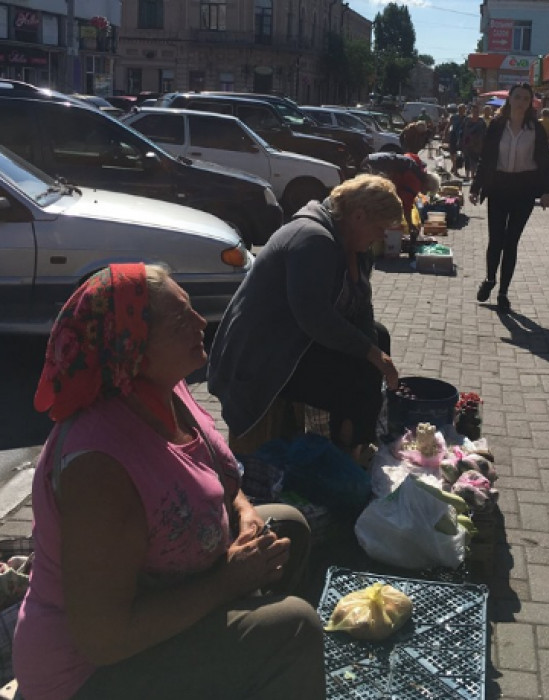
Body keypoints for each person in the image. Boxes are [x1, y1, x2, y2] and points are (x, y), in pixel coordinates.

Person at [13, 263, 325, 700]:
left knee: (288, 525)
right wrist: (227, 582)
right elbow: (104, 640)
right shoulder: (99, 468)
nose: (201, 323)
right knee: (295, 628)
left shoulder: (163, 389)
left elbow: (218, 483)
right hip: (87, 675)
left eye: (192, 310)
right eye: (180, 320)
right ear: (132, 348)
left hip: (166, 595)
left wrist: (246, 514)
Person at [208, 175, 402, 460]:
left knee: (378, 336)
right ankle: (345, 448)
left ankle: (354, 443)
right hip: (266, 352)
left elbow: (361, 310)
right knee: (355, 371)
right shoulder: (313, 240)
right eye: (380, 228)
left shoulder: (355, 248)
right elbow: (315, 317)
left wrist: (375, 352)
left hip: (297, 339)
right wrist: (370, 354)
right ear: (359, 216)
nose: (382, 236)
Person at [469, 82, 549, 312]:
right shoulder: (497, 126)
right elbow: (485, 159)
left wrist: (548, 190)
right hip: (498, 186)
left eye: (526, 99)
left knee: (511, 242)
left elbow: (545, 161)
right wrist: (476, 187)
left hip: (523, 189)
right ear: (510, 100)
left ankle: (503, 292)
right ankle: (489, 279)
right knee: (496, 238)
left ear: (530, 103)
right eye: (517, 97)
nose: (521, 102)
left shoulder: (535, 129)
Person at [361, 152, 441, 262]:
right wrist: (410, 224)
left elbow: (408, 155)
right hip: (375, 167)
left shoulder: (417, 167)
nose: (424, 193)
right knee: (373, 203)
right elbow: (405, 205)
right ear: (427, 183)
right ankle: (366, 245)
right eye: (427, 190)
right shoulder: (415, 182)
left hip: (372, 158)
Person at [460, 104, 487, 180]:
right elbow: (462, 131)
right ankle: (467, 175)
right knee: (467, 159)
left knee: (475, 160)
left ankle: (473, 175)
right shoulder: (467, 120)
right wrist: (461, 142)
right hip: (467, 143)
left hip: (478, 144)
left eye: (477, 111)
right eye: (474, 111)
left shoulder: (481, 121)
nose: (475, 112)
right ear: (471, 111)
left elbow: (485, 133)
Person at [447, 103, 468, 176]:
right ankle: (455, 169)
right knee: (452, 153)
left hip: (462, 137)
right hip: (453, 136)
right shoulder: (453, 117)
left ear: (465, 110)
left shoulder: (466, 118)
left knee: (459, 154)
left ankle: (455, 166)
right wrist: (445, 135)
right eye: (460, 109)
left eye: (463, 109)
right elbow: (448, 125)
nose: (461, 111)